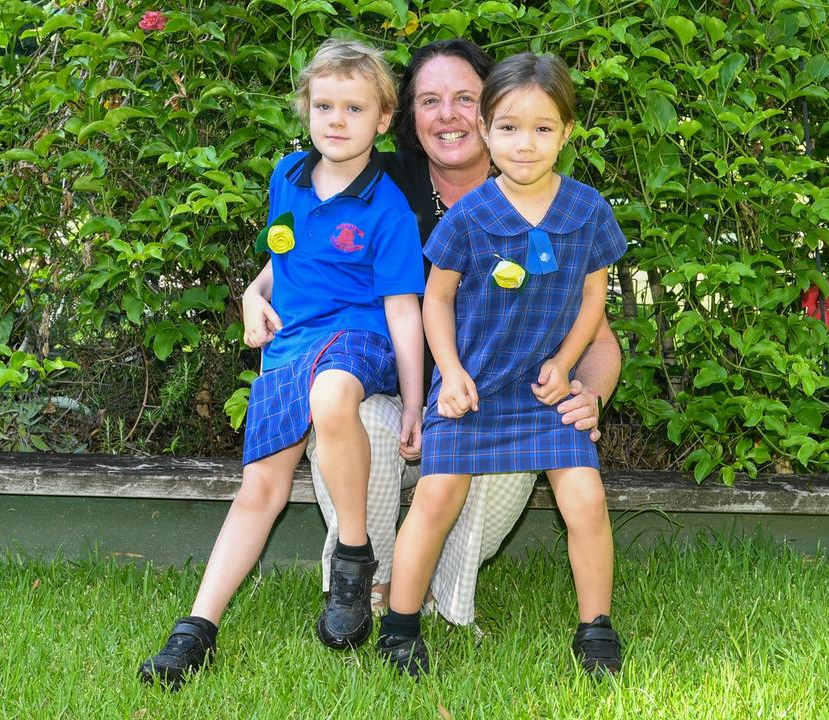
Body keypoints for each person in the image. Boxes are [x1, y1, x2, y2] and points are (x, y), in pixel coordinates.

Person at [242, 39, 622, 627]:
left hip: (493, 391)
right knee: (363, 417)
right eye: (430, 100)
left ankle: (444, 589)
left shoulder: (537, 188)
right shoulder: (378, 180)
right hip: (389, 383)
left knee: (503, 456)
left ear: (494, 110)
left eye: (465, 98)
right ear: (404, 117)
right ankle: (369, 581)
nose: (447, 114)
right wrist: (254, 291)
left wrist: (587, 395)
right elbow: (305, 252)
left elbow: (597, 334)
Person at [138, 38, 425, 690]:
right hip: (290, 345)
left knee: (331, 398)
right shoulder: (287, 176)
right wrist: (252, 292)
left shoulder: (388, 208)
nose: (335, 120)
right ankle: (196, 632)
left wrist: (413, 402)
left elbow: (404, 311)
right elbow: (286, 256)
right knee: (259, 490)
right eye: (324, 105)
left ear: (382, 119)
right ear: (305, 110)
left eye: (354, 108)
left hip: (360, 342)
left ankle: (353, 558)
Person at [375, 52, 626, 677]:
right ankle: (400, 629)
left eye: (543, 128)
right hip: (474, 387)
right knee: (436, 497)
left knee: (586, 498)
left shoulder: (587, 210)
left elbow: (594, 298)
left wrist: (568, 365)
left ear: (567, 133)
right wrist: (451, 373)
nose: (525, 143)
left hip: (544, 391)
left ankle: (595, 628)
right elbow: (435, 298)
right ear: (487, 131)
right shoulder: (471, 214)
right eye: (509, 127)